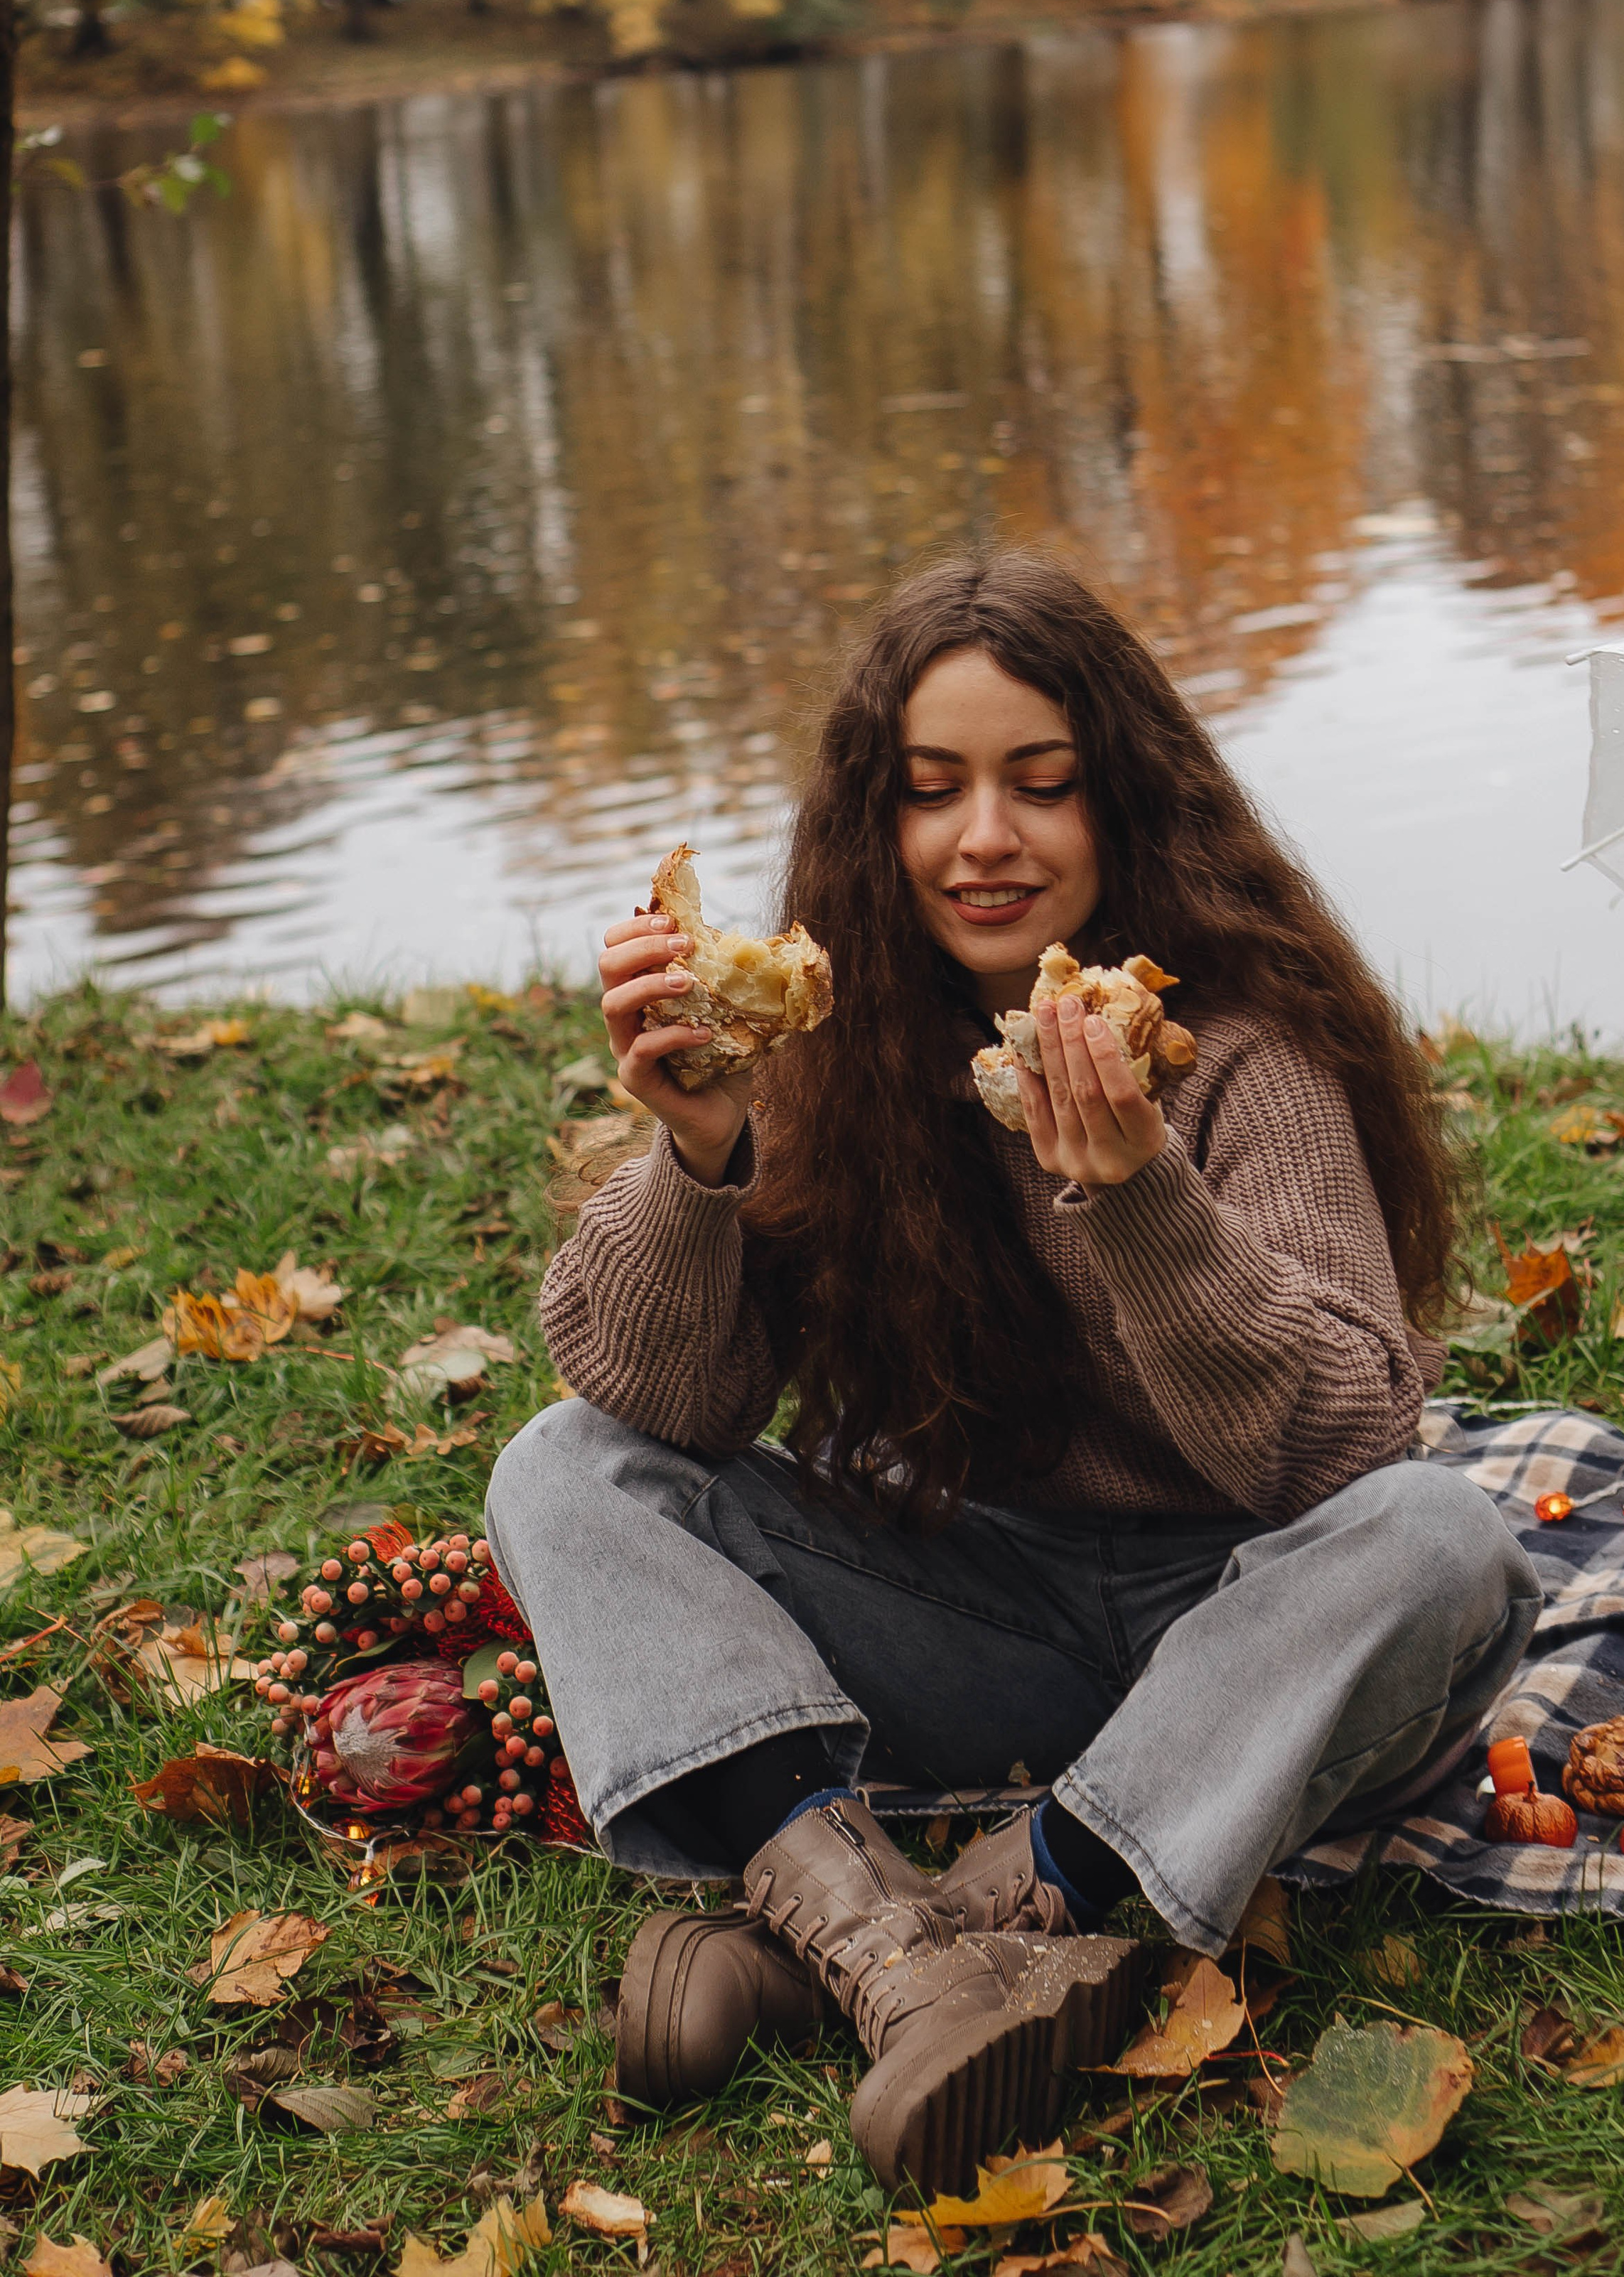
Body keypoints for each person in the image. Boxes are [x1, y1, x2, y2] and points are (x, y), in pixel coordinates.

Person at [485, 553, 1541, 2191]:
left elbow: (1344, 1451)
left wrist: (1142, 1203)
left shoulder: (1242, 1056)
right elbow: (661, 1407)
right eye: (933, 793)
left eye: (1039, 786)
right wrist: (695, 1150)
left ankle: (994, 1909)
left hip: (1252, 1630)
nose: (986, 838)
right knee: (562, 1464)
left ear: (1118, 803)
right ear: (876, 829)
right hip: (989, 1613)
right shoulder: (826, 1058)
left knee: (1444, 1540)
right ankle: (877, 1941)